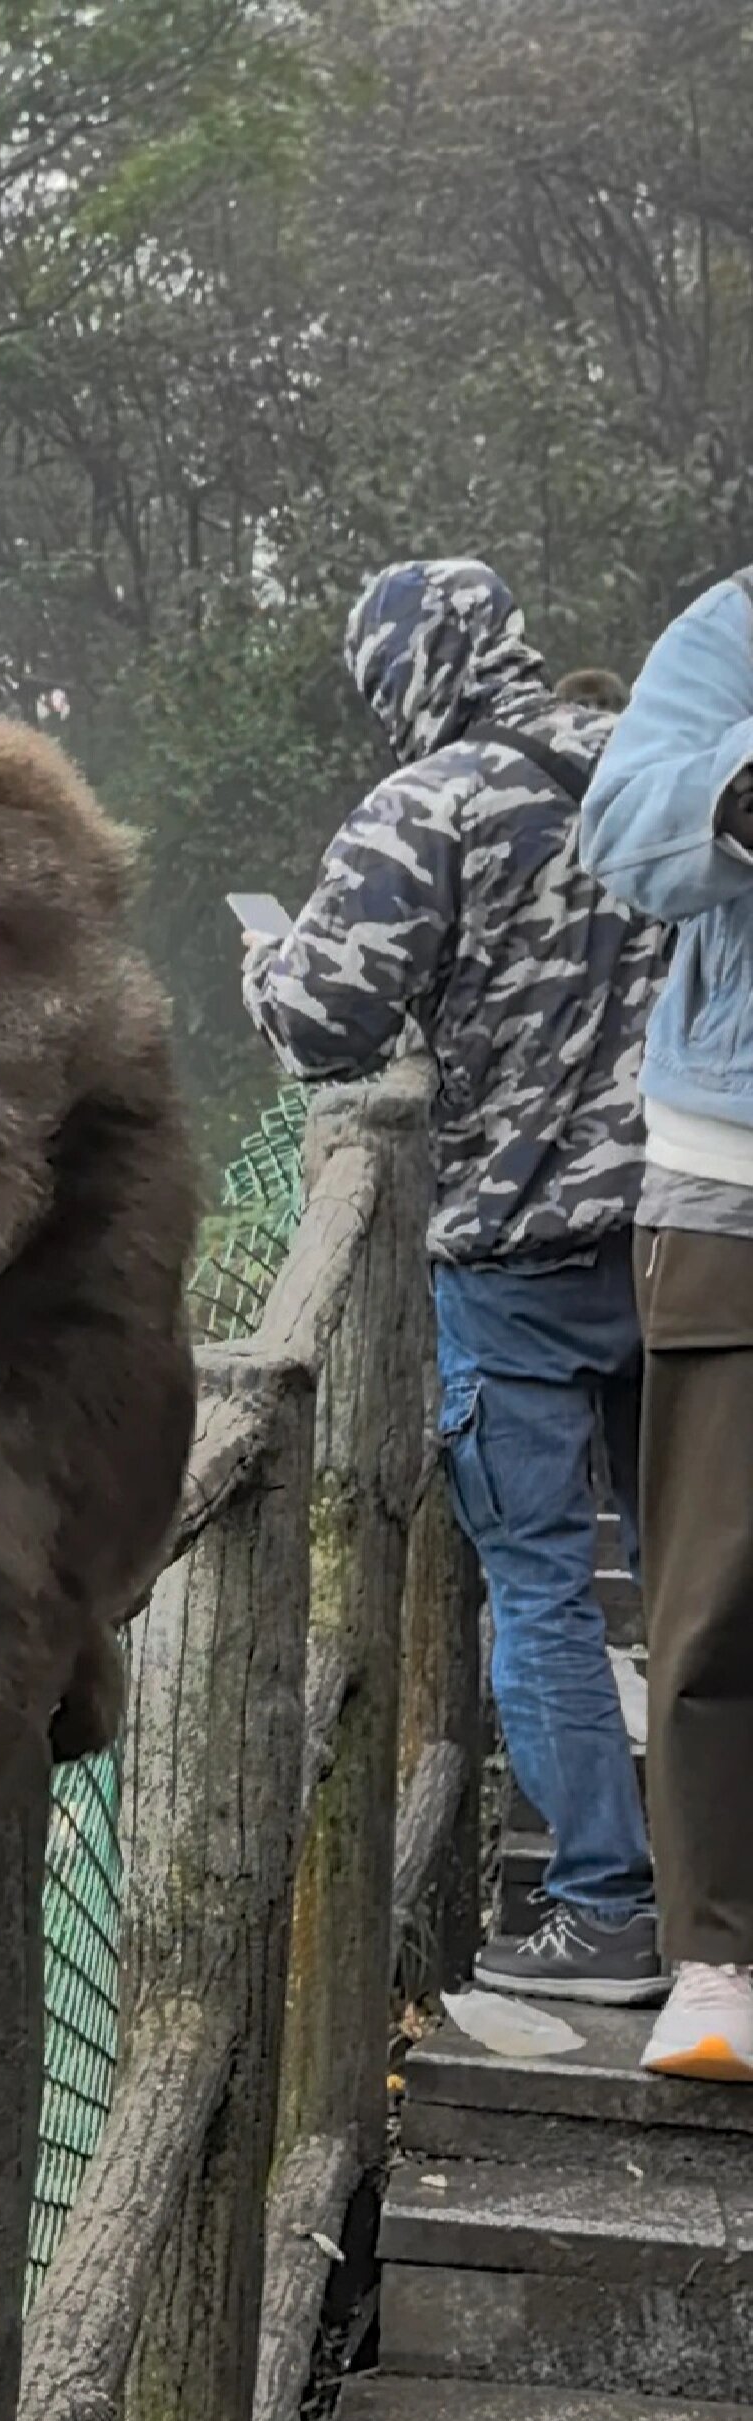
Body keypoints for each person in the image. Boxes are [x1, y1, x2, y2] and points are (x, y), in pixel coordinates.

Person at [242, 558, 667, 2002]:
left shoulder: (427, 807)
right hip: (690, 1237)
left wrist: (261, 964)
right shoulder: (654, 759)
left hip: (521, 1252)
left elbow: (321, 1023)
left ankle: (607, 1910)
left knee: (543, 1589)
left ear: (401, 678)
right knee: (704, 1576)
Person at [581, 568, 753, 2078]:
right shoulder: (729, 630)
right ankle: (717, 1954)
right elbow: (624, 830)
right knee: (711, 1592)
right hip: (729, 1182)